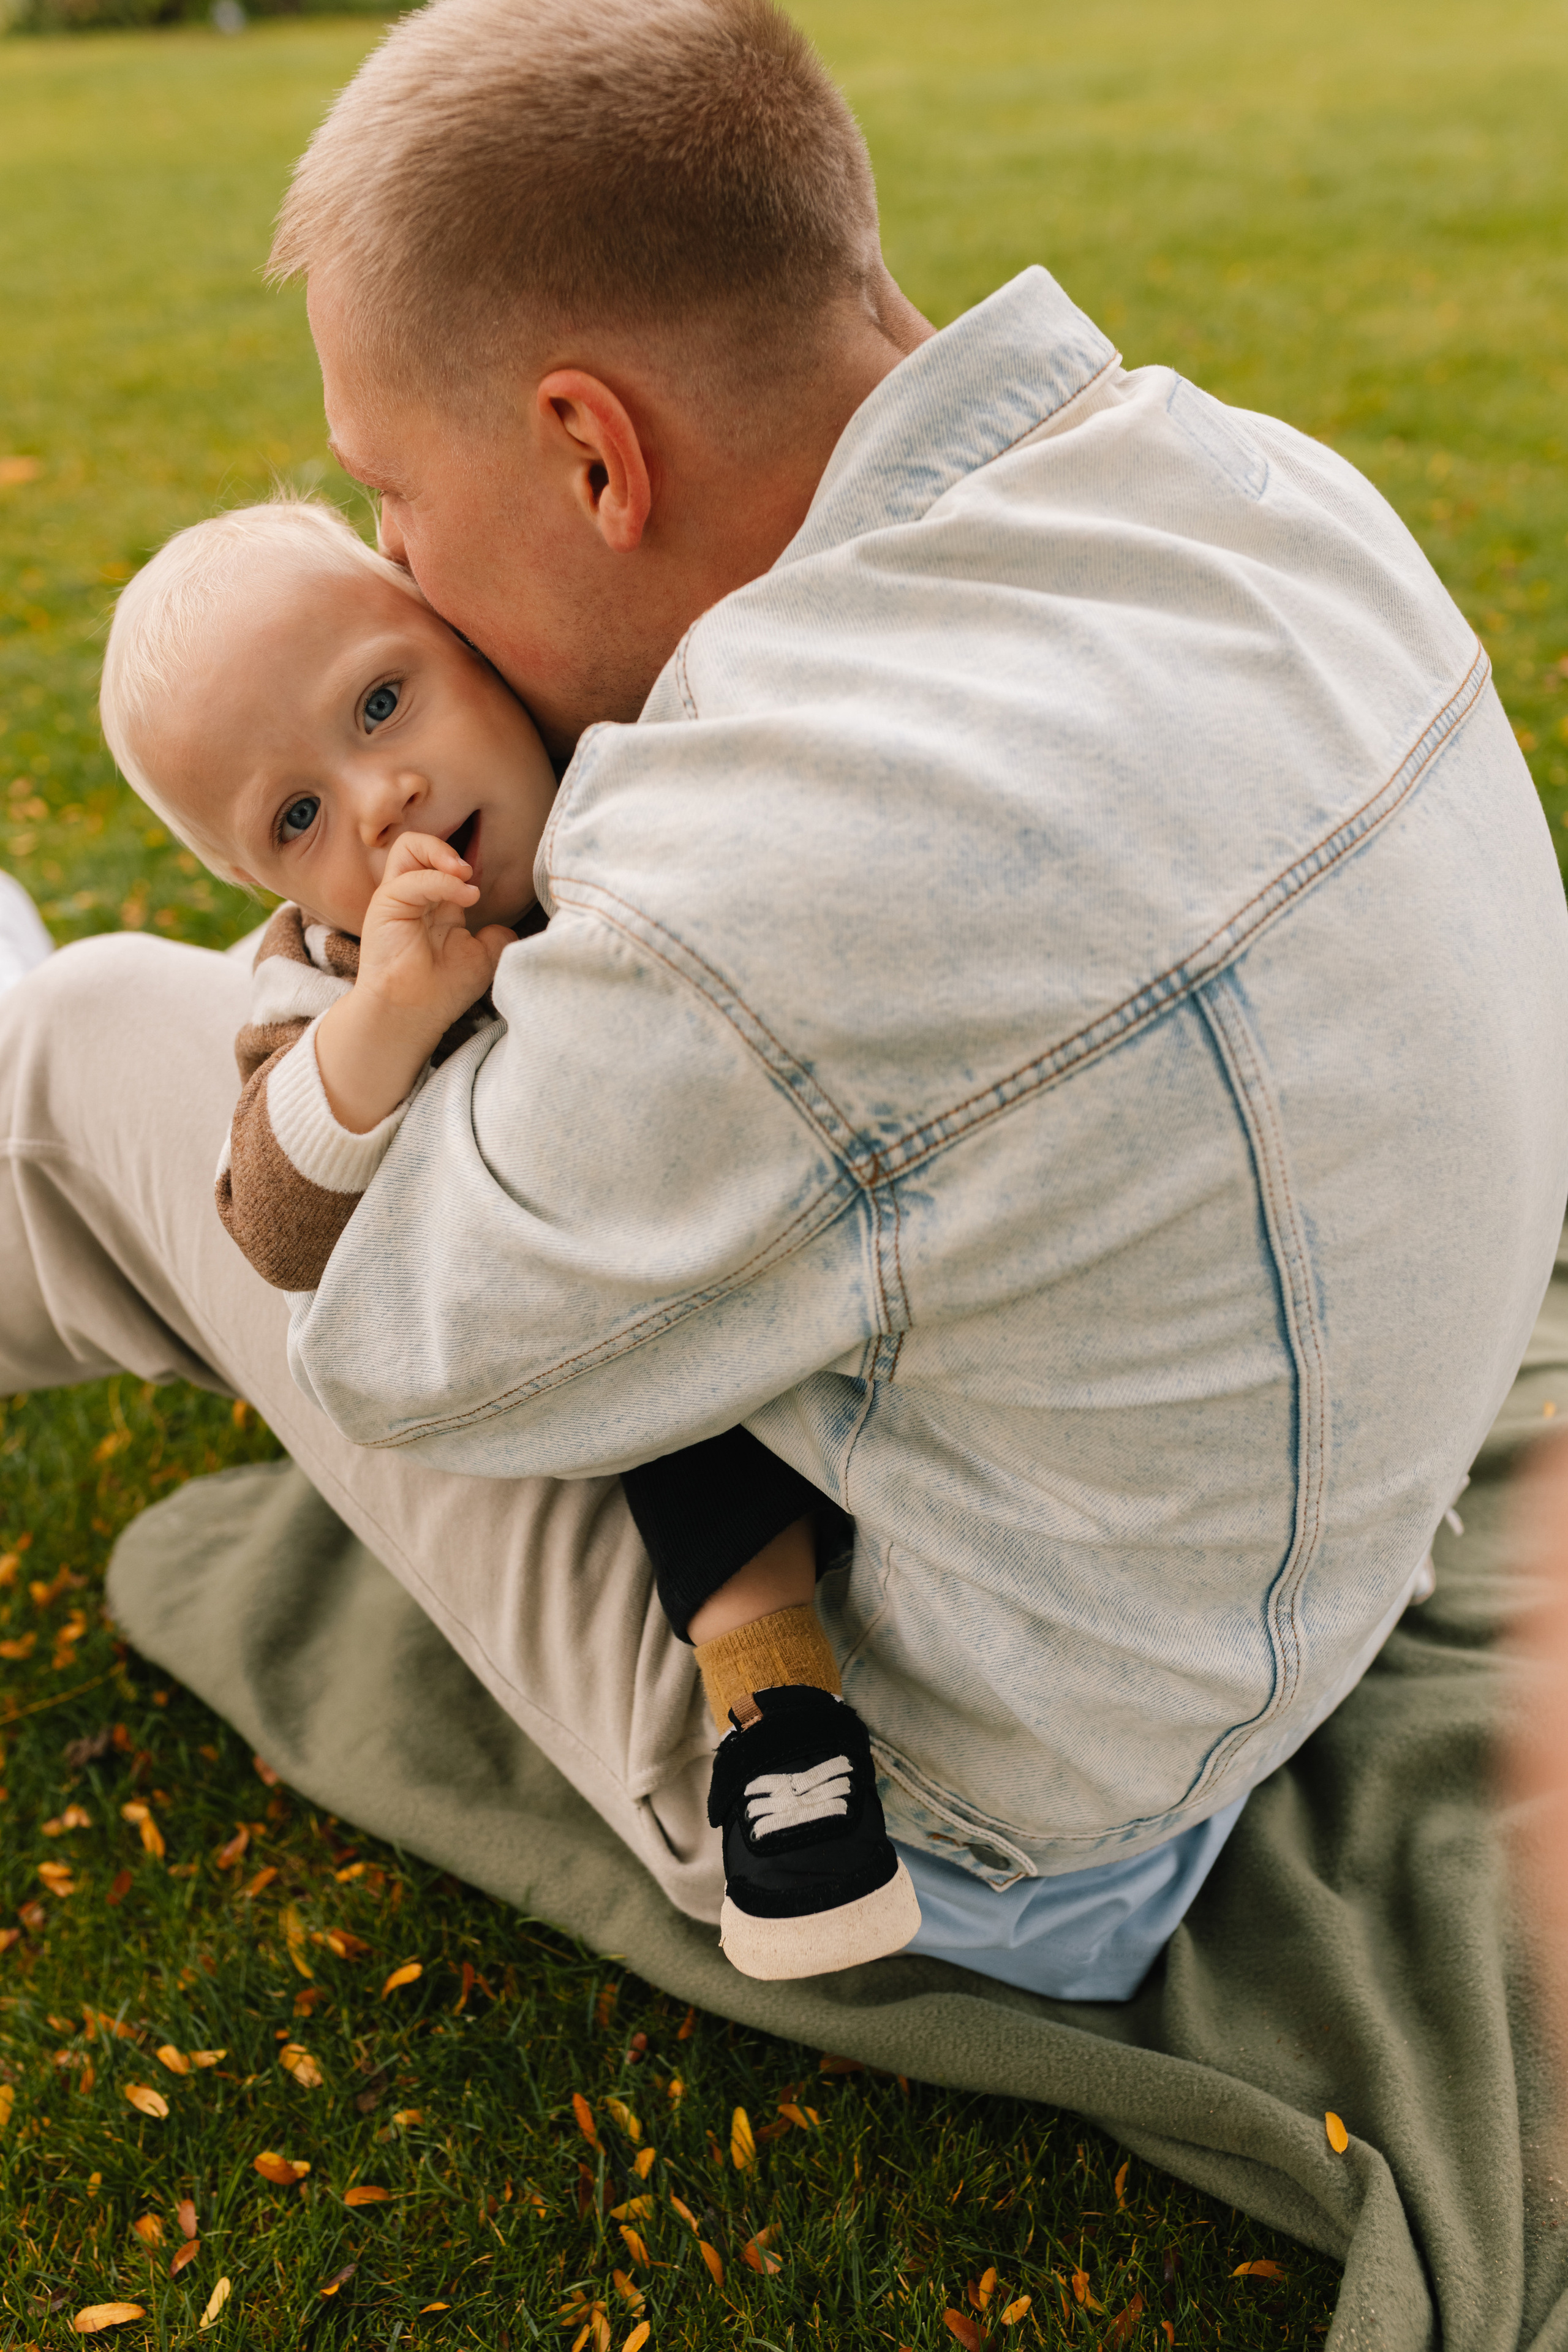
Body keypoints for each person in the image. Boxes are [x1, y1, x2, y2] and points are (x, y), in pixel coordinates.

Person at [3, 0, 1565, 2003]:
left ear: (589, 447)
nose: (398, 560)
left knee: (111, 1056)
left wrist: (321, 979)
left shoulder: (756, 875)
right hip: (1307, 1568)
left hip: (984, 1820)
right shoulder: (1257, 484)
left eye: (394, 496)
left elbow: (391, 1338)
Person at [94, 492, 921, 1980]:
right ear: (261, 891)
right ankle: (780, 1722)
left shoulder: (621, 773)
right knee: (665, 1403)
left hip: (848, 1284)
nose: (378, 797)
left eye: (382, 699)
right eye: (295, 818)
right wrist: (383, 1025)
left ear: (460, 630)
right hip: (628, 1368)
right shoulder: (326, 984)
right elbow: (270, 1221)